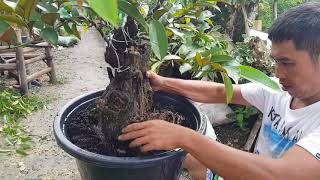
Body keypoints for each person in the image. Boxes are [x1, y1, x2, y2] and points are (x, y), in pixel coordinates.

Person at [118, 2, 320, 180]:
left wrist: (184, 137)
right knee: (191, 158)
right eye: (276, 61)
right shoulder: (278, 91)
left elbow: (279, 175)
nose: (278, 72)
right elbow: (220, 92)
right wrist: (163, 83)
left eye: (287, 63)